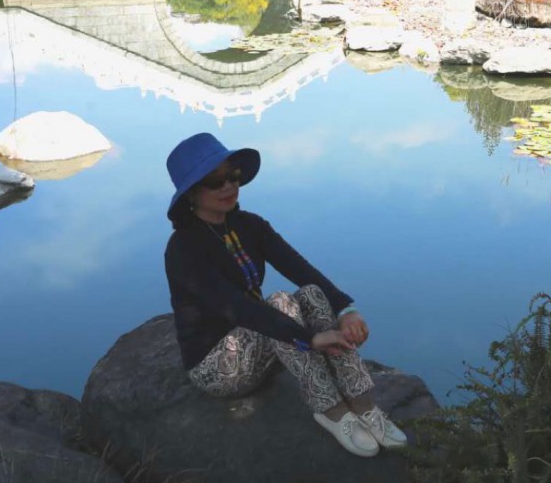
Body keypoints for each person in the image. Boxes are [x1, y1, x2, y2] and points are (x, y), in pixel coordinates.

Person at [164, 132, 407, 457]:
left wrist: (346, 308)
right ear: (191, 193)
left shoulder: (249, 225)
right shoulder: (183, 249)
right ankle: (331, 411)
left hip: (264, 339)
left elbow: (298, 267)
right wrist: (307, 339)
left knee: (311, 293)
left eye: (233, 175)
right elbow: (236, 307)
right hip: (218, 364)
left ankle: (363, 404)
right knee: (279, 301)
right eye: (215, 181)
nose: (228, 186)